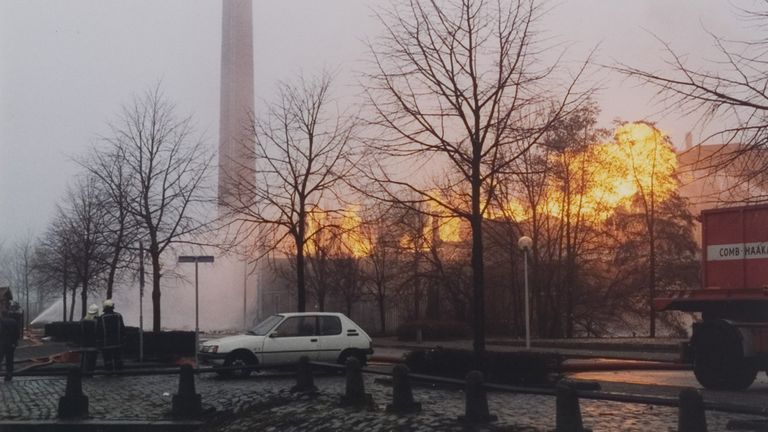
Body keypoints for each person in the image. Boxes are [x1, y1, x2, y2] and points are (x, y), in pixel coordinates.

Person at [96, 299, 125, 373]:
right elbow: (122, 328)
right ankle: (119, 372)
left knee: (107, 360)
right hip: (117, 342)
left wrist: (99, 342)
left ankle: (109, 372)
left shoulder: (101, 318)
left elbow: (99, 331)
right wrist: (123, 339)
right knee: (118, 359)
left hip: (106, 344)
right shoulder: (118, 316)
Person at [0, 309, 20, 382]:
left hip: (2, 344)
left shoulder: (1, 321)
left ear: (2, 314)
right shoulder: (14, 321)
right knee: (10, 360)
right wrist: (15, 342)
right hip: (11, 344)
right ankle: (9, 375)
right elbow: (17, 333)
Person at [80, 304, 99, 376]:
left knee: (84, 360)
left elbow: (80, 333)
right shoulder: (97, 321)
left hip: (84, 345)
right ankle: (90, 373)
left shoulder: (83, 321)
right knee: (92, 360)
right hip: (93, 345)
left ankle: (84, 372)